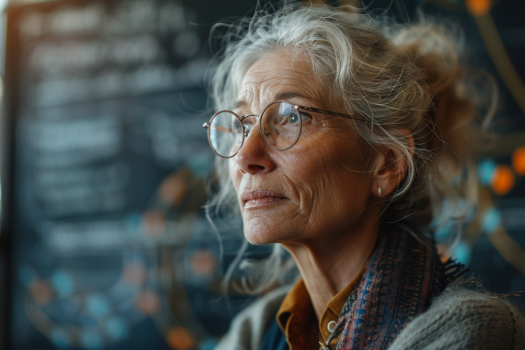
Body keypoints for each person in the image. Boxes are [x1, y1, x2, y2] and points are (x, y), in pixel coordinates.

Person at [203, 2, 525, 349]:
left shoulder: (472, 331)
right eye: (242, 124)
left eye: (292, 117)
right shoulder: (256, 331)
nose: (245, 157)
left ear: (386, 163)